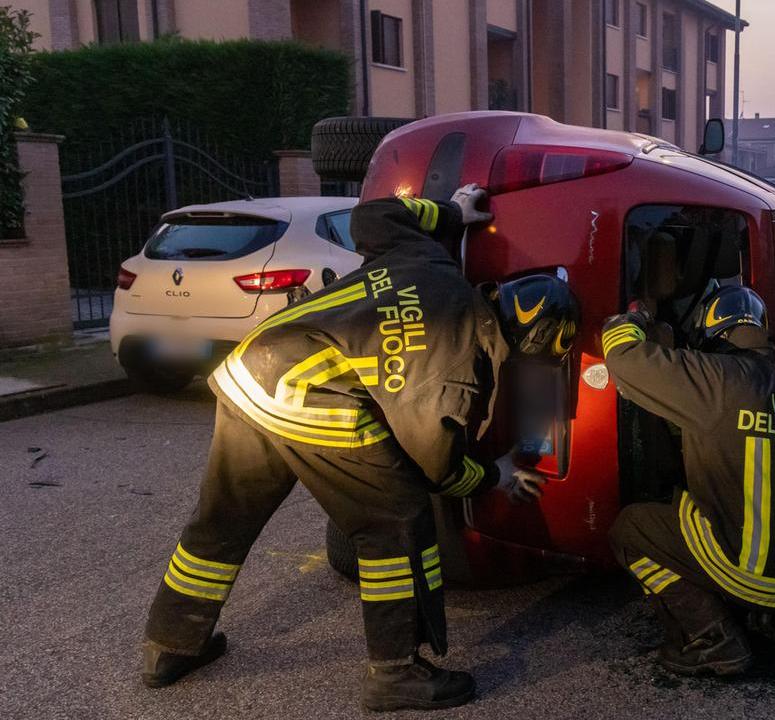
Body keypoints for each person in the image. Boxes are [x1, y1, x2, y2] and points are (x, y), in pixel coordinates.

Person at [141, 188, 579, 712]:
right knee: (396, 522)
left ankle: (170, 646)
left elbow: (372, 214)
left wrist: (452, 212)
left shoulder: (431, 260)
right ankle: (397, 674)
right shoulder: (456, 372)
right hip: (308, 395)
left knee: (223, 519)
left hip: (249, 367)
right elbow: (436, 464)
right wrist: (494, 475)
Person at [602, 286, 775, 681]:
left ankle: (711, 639)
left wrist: (631, 320)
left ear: (712, 332)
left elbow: (624, 359)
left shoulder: (717, 378)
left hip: (751, 568)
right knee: (753, 557)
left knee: (631, 528)